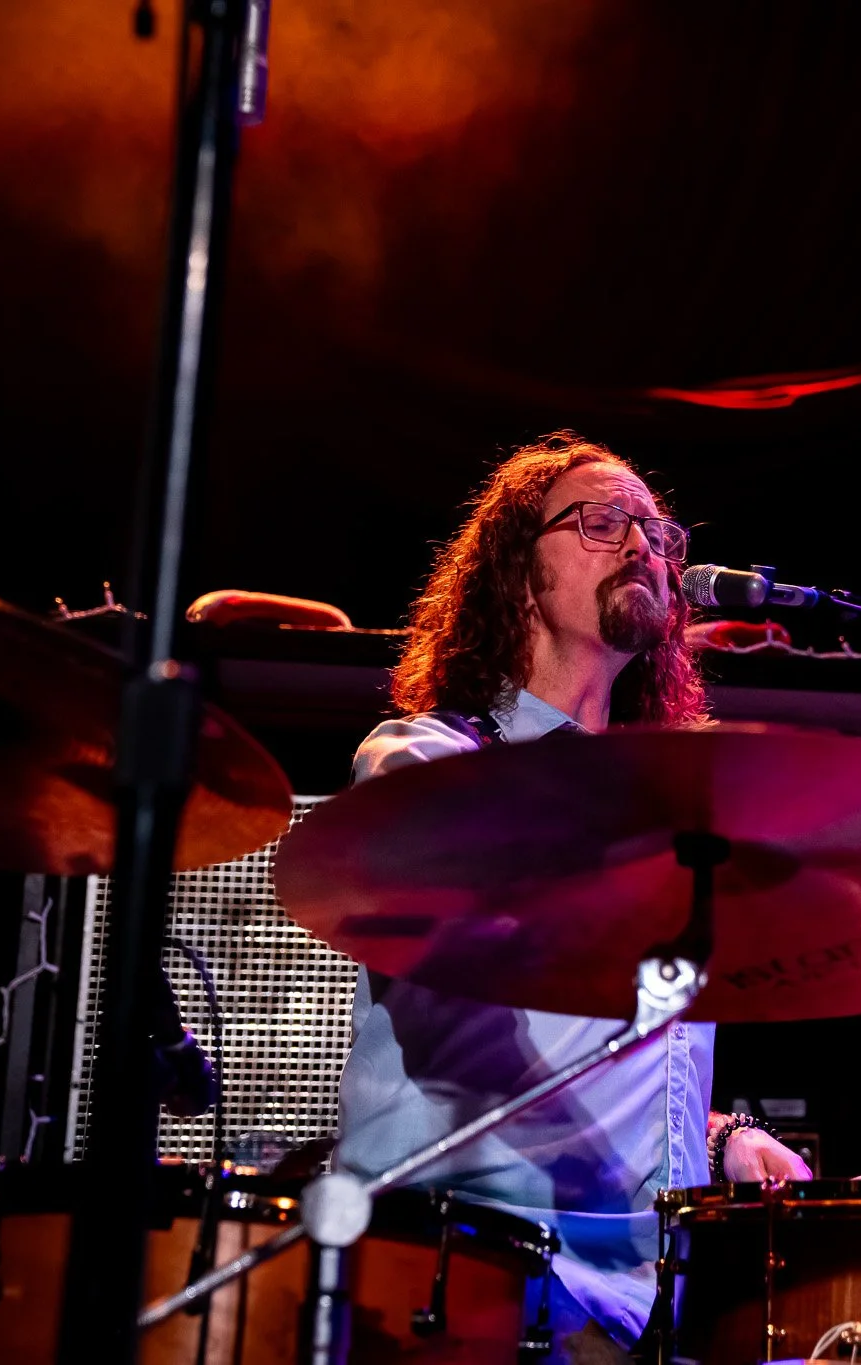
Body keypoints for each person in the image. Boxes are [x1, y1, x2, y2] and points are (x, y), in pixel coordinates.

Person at [333, 431, 813, 1363]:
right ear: (518, 570)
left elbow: (605, 1062)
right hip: (466, 1277)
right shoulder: (429, 758)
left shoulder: (678, 816)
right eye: (602, 522)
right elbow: (468, 1008)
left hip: (648, 1297)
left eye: (658, 535)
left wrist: (718, 1136)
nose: (641, 545)